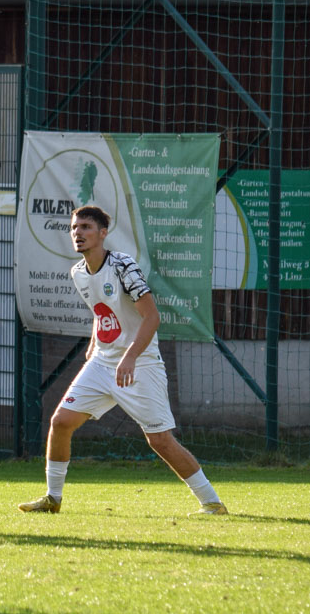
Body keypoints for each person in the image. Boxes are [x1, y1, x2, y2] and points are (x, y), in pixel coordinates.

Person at [19, 205, 226, 516]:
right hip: (102, 363)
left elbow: (152, 317)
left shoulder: (122, 266)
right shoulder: (78, 273)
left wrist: (129, 357)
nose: (78, 233)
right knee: (60, 422)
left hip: (140, 364)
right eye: (74, 227)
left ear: (103, 233)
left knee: (159, 440)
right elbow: (101, 311)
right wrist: (94, 344)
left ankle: (212, 503)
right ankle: (53, 498)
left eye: (86, 227)